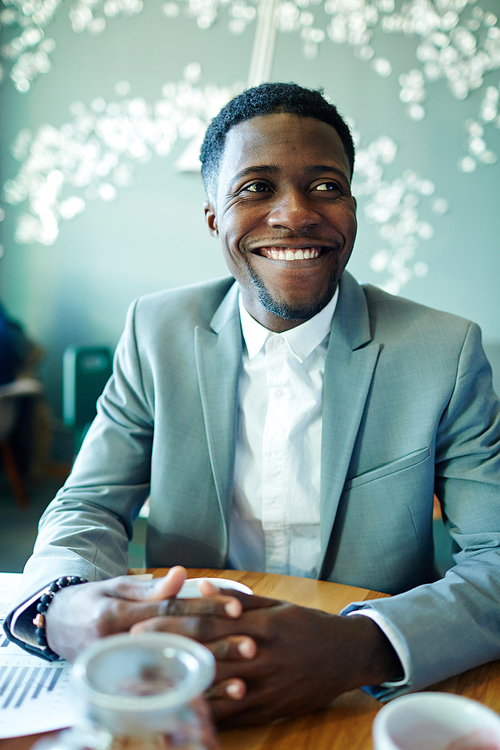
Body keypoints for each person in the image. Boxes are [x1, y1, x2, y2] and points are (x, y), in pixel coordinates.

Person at [4, 82, 500, 727]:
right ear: (213, 215)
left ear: (352, 205)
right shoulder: (156, 331)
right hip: (189, 664)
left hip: (361, 683)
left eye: (326, 186)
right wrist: (59, 603)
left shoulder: (445, 350)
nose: (295, 214)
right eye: (255, 188)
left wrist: (361, 646)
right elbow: (88, 503)